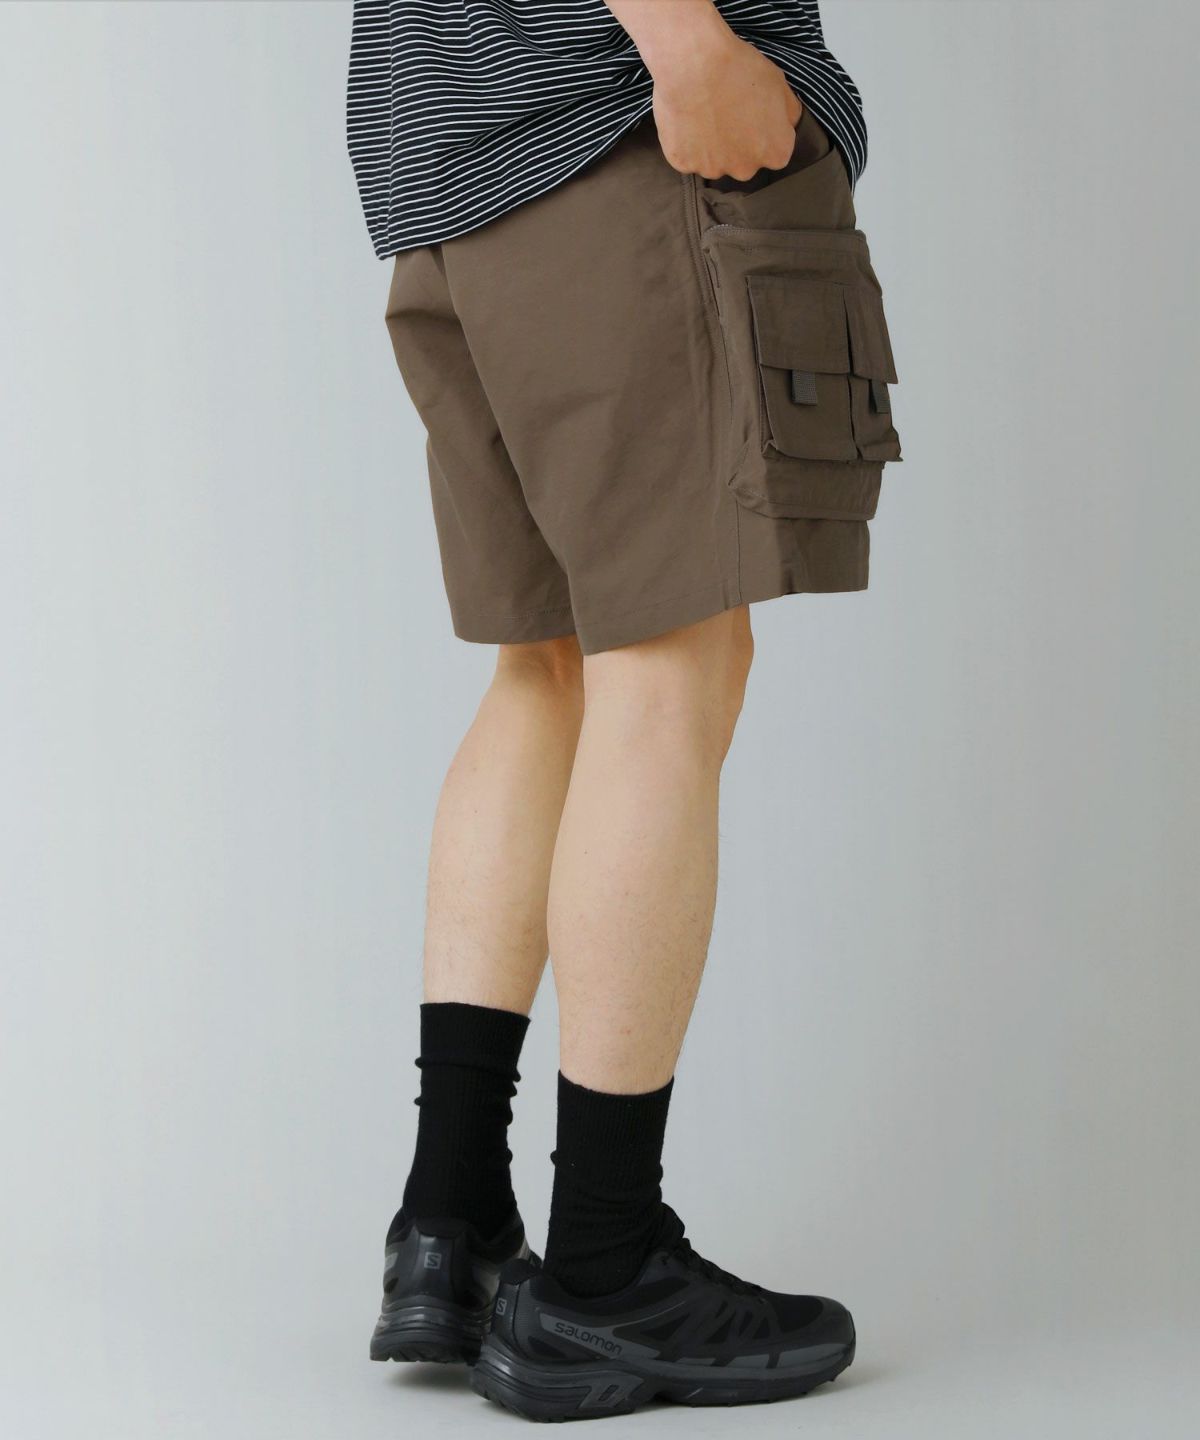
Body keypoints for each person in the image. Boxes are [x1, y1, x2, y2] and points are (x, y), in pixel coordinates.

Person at [348, 0, 902, 1421]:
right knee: (667, 665)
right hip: (614, 138)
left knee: (547, 670)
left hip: (451, 160)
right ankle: (603, 1273)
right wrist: (689, 46)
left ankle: (450, 1223)